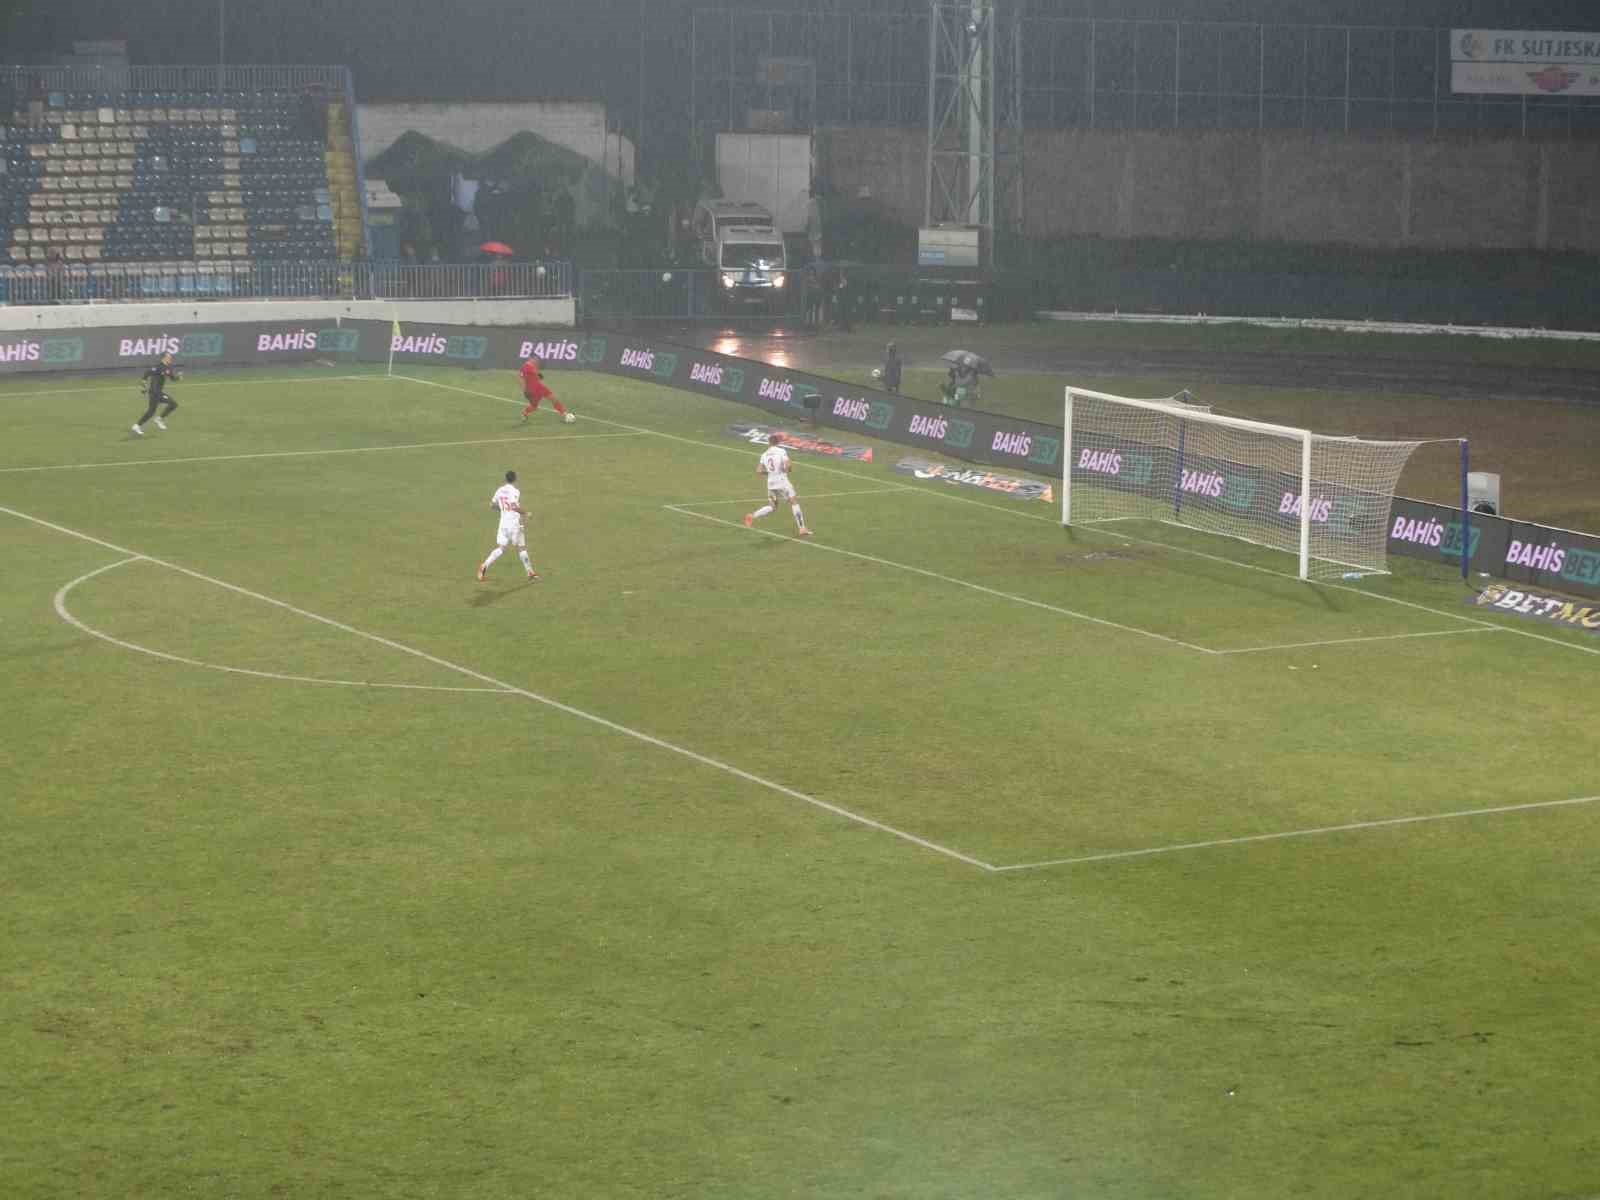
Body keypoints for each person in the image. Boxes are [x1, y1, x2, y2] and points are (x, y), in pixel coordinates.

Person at [743, 433, 811, 537]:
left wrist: (770, 473)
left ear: (769, 443)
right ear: (778, 442)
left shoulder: (764, 455)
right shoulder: (781, 451)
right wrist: (788, 469)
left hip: (771, 483)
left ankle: (752, 516)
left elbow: (759, 471)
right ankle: (802, 528)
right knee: (794, 502)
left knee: (772, 506)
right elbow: (788, 465)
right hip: (782, 482)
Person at [478, 470, 539, 582]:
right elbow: (514, 506)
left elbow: (492, 505)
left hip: (503, 524)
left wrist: (502, 509)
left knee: (502, 548)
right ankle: (530, 572)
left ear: (505, 479)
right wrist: (525, 513)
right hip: (514, 524)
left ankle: (484, 565)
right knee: (521, 547)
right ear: (515, 479)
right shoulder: (515, 491)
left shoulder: (499, 490)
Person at [131, 352, 180, 435]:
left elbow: (172, 378)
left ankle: (137, 425)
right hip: (154, 392)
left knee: (152, 411)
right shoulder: (158, 367)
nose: (170, 358)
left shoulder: (168, 367)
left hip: (157, 392)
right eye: (169, 357)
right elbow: (147, 373)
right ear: (164, 358)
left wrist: (178, 377)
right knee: (173, 404)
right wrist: (143, 384)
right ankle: (156, 420)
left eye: (170, 357)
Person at [519, 356, 571, 422]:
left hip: (540, 387)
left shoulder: (533, 365)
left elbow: (534, 375)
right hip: (532, 390)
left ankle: (565, 414)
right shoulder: (525, 366)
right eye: (535, 359)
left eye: (537, 359)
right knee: (534, 406)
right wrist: (524, 390)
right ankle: (524, 412)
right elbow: (521, 377)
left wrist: (538, 375)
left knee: (553, 398)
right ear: (530, 358)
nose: (537, 361)